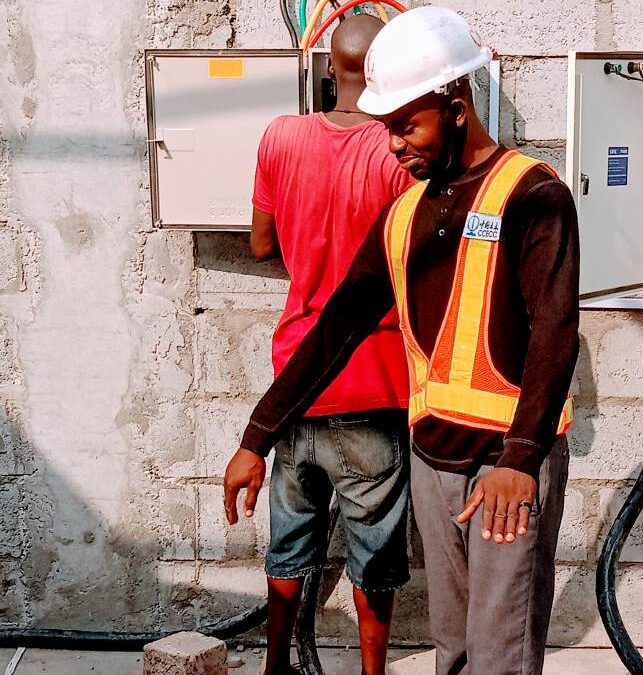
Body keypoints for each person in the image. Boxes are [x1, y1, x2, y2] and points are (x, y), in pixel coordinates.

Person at [228, 6, 580, 675]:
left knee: (500, 657)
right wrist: (257, 436)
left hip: (505, 466)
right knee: (454, 652)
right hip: (435, 462)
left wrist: (523, 457)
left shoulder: (533, 194)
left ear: (455, 105)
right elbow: (335, 330)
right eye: (388, 127)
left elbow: (556, 334)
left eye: (405, 125)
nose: (392, 144)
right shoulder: (406, 212)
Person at [222, 14, 414, 675]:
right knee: (375, 552)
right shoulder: (399, 151)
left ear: (328, 69)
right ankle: (370, 669)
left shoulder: (281, 137)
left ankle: (276, 663)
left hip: (296, 385)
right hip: (375, 381)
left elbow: (261, 243)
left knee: (290, 538)